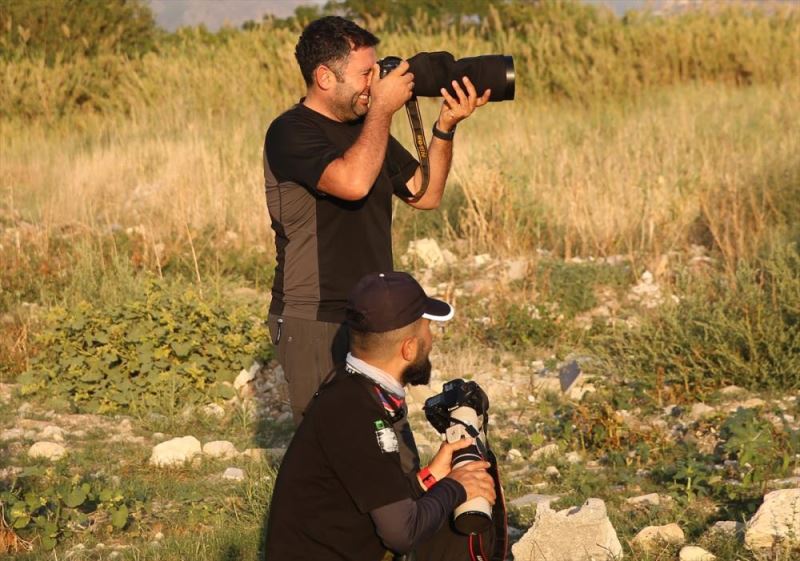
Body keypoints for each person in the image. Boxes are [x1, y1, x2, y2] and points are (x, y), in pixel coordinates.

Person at [263, 16, 491, 423]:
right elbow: (352, 181)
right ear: (324, 77)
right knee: (332, 442)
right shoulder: (289, 133)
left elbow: (426, 193)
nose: (375, 83)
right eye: (365, 73)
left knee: (386, 438)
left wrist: (444, 127)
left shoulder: (367, 129)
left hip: (374, 313)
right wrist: (383, 111)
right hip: (317, 316)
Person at [262, 271, 498, 561]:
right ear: (408, 348)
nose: (431, 341)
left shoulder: (350, 389)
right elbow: (401, 534)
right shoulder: (355, 414)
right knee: (459, 520)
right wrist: (457, 485)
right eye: (427, 330)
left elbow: (374, 492)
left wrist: (430, 476)